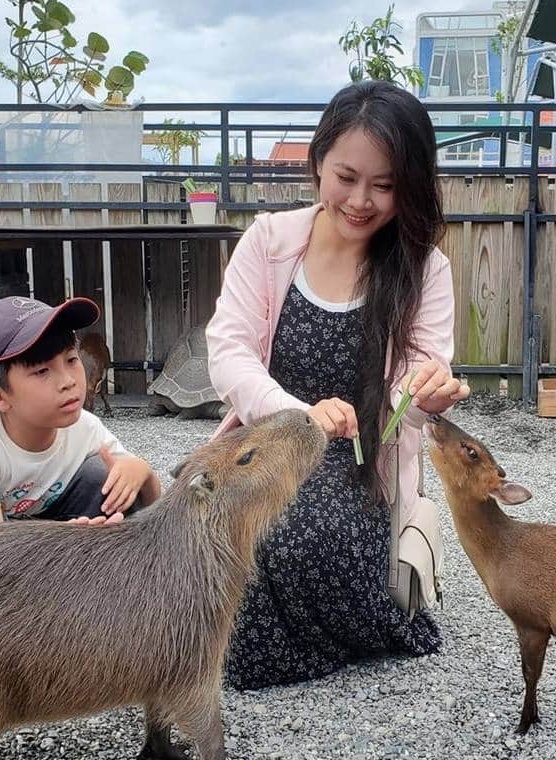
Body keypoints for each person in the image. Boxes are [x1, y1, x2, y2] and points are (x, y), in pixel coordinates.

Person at [206, 80, 470, 690]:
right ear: (317, 160)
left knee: (302, 536)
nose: (361, 200)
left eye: (385, 185)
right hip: (267, 443)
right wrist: (299, 415)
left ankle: (334, 625)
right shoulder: (269, 242)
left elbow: (418, 382)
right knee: (204, 522)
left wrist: (424, 397)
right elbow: (229, 351)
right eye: (346, 176)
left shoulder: (425, 268)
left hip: (358, 462)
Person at [0, 295, 160, 550]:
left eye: (71, 360)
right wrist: (58, 541)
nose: (68, 381)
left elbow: (150, 506)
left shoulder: (85, 428)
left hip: (36, 544)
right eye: (41, 371)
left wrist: (142, 473)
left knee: (109, 478)